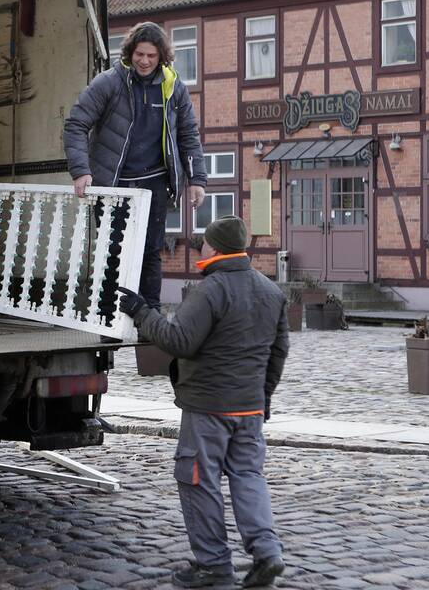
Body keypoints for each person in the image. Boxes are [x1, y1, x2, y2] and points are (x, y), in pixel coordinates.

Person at [117, 215, 288, 589]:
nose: (200, 248)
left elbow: (179, 341)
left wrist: (142, 312)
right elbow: (278, 352)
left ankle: (213, 566)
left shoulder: (210, 290)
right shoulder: (271, 290)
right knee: (248, 476)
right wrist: (264, 399)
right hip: (249, 408)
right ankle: (267, 553)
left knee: (198, 481)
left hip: (208, 407)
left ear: (215, 248)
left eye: (204, 243)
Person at [63, 21, 207, 310]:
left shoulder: (173, 87)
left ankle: (149, 316)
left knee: (151, 252)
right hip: (114, 183)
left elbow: (188, 134)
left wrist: (197, 180)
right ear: (130, 53)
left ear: (161, 57)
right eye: (140, 54)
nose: (144, 61)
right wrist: (81, 171)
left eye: (151, 56)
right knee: (113, 251)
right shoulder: (110, 82)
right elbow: (75, 124)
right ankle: (108, 317)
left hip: (154, 183)